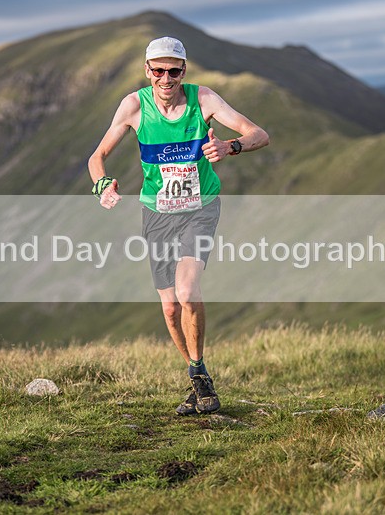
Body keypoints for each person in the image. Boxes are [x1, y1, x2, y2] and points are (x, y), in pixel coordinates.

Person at [87, 36, 269, 415]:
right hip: (156, 213)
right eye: (158, 70)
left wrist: (230, 147)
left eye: (173, 70)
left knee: (187, 291)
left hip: (200, 208)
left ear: (183, 71)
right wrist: (102, 184)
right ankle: (195, 373)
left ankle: (200, 377)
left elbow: (259, 134)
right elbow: (98, 156)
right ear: (147, 71)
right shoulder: (135, 105)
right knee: (170, 308)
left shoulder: (204, 99)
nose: (166, 78)